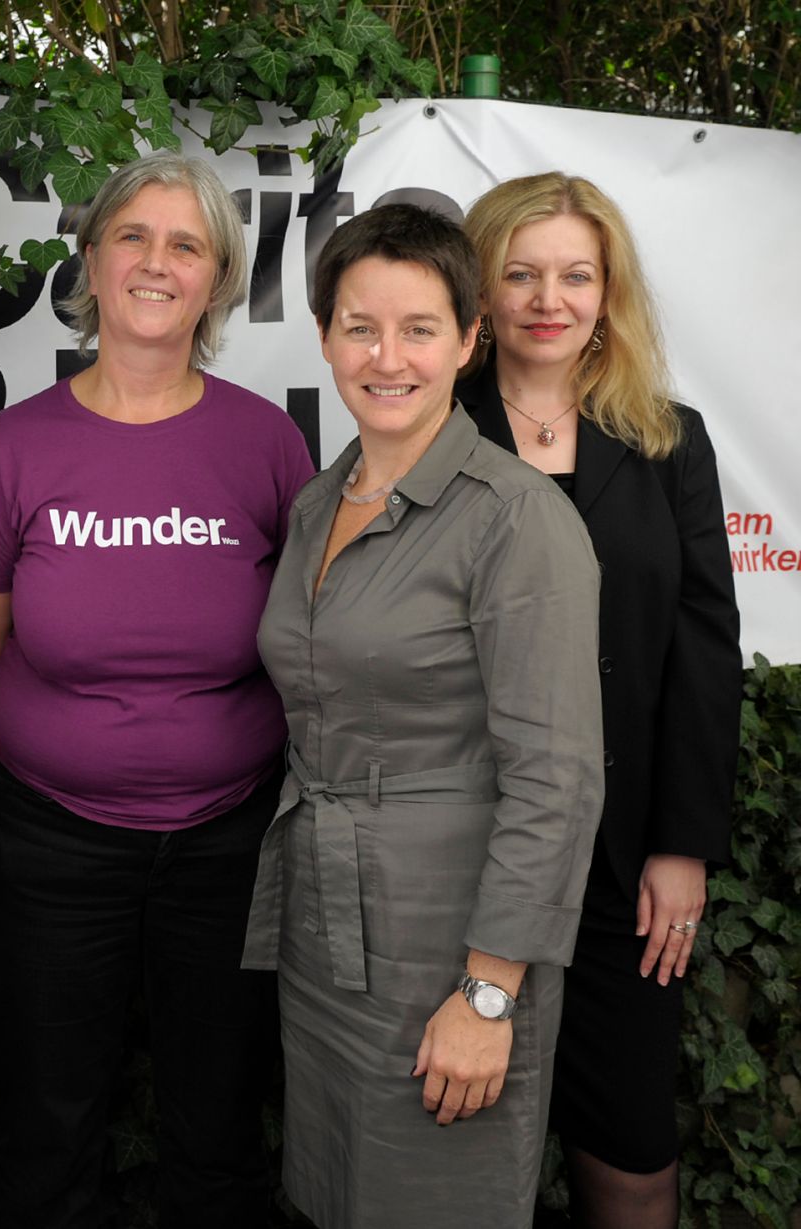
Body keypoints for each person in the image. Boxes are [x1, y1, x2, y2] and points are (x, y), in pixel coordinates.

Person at [0, 150, 315, 1227]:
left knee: (218, 1125)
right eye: (133, 237)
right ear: (92, 261)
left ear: (217, 279)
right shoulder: (14, 448)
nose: (157, 263)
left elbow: (314, 652)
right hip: (49, 846)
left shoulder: (266, 443)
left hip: (229, 847)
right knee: (44, 1125)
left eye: (185, 245)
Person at [241, 202, 605, 1227]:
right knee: (331, 1194)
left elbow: (557, 775)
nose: (386, 357)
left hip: (451, 944)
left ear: (467, 339)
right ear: (324, 337)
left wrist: (489, 993)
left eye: (418, 329)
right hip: (324, 928)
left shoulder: (515, 517)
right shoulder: (316, 503)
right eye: (360, 327)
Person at [457, 173, 740, 1229]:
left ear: (607, 291)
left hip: (625, 865)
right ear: (479, 289)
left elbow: (702, 648)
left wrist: (682, 842)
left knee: (628, 1149)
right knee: (452, 1151)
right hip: (466, 851)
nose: (548, 299)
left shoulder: (669, 441)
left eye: (575, 275)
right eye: (521, 273)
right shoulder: (431, 427)